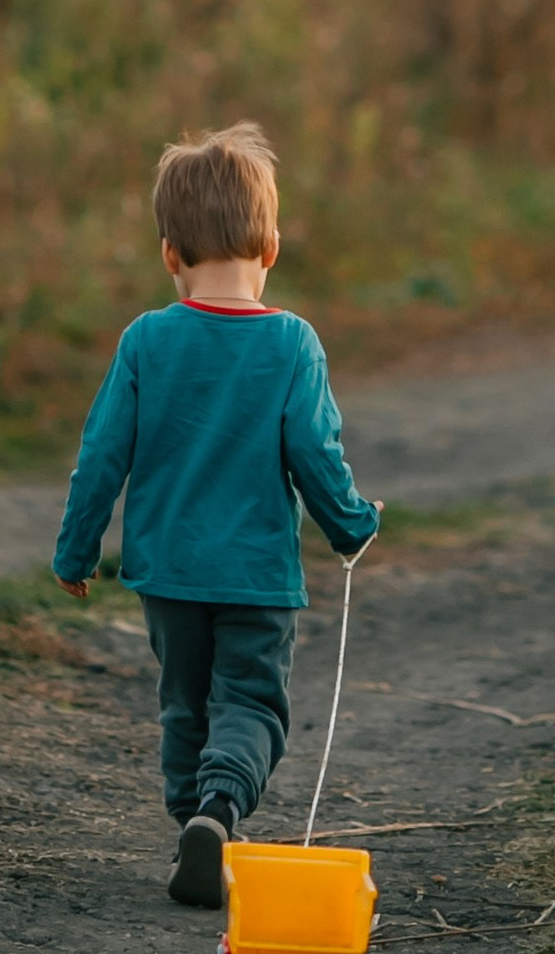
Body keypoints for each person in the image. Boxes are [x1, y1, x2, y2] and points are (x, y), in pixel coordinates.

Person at [53, 120, 379, 906]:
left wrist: (75, 551)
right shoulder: (293, 344)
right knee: (251, 702)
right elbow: (314, 451)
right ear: (271, 248)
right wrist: (351, 524)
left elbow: (101, 455)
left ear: (170, 254)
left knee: (184, 701)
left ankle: (190, 825)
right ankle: (221, 808)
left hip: (168, 573)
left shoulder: (146, 341)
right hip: (257, 575)